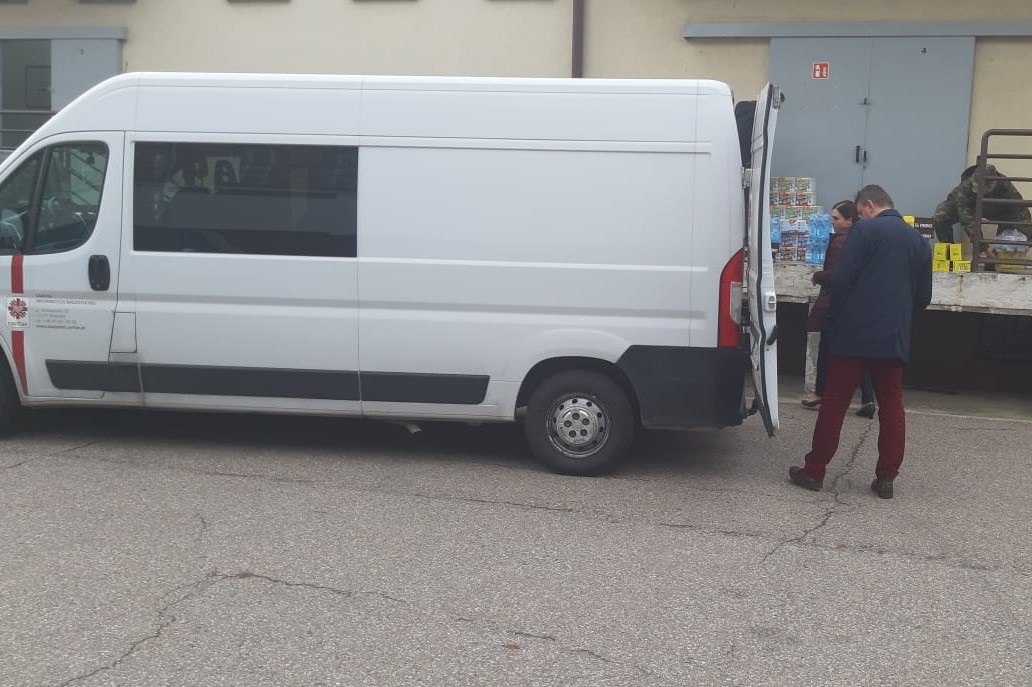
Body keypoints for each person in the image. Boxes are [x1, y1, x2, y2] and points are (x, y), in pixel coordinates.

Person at [789, 185, 932, 499]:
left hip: (853, 334)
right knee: (892, 405)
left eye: (859, 211)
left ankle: (814, 471)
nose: (859, 217)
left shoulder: (864, 232)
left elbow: (841, 280)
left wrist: (838, 319)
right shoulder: (918, 242)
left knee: (835, 402)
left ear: (868, 205)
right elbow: (923, 297)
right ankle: (886, 477)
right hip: (893, 337)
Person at [801, 200, 876, 418]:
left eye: (836, 218)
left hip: (836, 303)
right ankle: (868, 399)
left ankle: (821, 392)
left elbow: (836, 274)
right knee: (859, 351)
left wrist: (817, 276)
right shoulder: (861, 239)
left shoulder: (840, 241)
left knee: (827, 347)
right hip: (858, 303)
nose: (832, 223)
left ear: (849, 220)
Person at [931, 162, 1032, 255]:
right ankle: (950, 254)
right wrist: (983, 247)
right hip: (969, 205)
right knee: (941, 215)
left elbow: (1021, 212)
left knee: (1011, 235)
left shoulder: (1005, 186)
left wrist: (1028, 238)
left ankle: (997, 258)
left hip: (995, 209)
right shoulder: (967, 185)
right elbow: (966, 216)